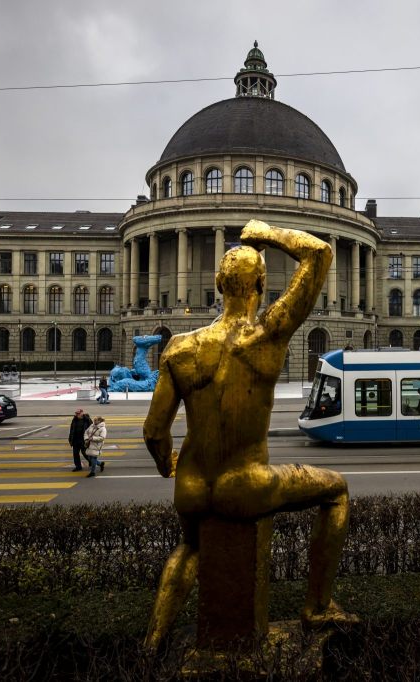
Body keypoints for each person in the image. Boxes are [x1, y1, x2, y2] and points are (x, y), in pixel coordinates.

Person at [144, 220, 355, 651]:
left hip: (192, 485)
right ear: (261, 282)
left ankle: (154, 640)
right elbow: (319, 253)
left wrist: (168, 465)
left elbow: (154, 431)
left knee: (189, 549)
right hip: (246, 483)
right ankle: (317, 605)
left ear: (219, 283)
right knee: (336, 491)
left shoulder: (180, 347)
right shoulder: (268, 335)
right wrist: (266, 233)